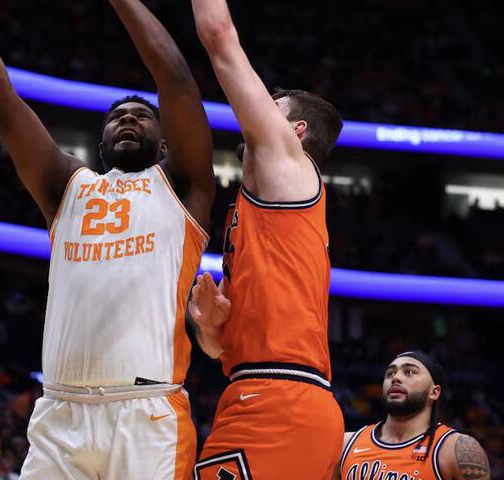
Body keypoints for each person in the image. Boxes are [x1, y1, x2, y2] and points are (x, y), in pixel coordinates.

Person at [0, 0, 214, 477]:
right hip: (60, 415)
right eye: (117, 117)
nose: (127, 119)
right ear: (101, 144)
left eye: (141, 115)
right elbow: (1, 102)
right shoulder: (67, 185)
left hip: (147, 414)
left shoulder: (182, 186)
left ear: (166, 143)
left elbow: (175, 78)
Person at [188, 0, 346, 477]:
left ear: (295, 130)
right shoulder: (264, 208)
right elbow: (220, 351)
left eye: (271, 108)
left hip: (280, 399)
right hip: (267, 391)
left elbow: (218, 34)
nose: (252, 113)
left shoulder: (288, 163)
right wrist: (212, 330)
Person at [334, 351, 491, 480]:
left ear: (434, 392)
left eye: (409, 372)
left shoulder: (457, 449)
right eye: (390, 374)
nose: (395, 378)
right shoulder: (345, 444)